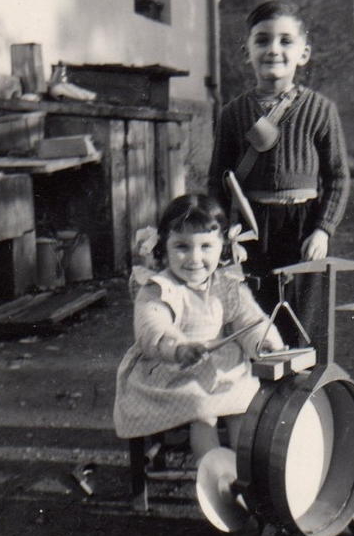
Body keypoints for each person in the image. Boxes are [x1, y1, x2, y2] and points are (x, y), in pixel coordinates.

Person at [208, 0, 350, 350]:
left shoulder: (321, 110)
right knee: (254, 317)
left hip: (303, 227)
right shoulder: (232, 114)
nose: (274, 49)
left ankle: (303, 382)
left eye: (286, 40)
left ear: (304, 53)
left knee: (303, 318)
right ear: (247, 52)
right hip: (251, 228)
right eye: (263, 40)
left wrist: (323, 229)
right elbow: (217, 181)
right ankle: (259, 383)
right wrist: (222, 231)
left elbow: (337, 178)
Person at [114, 194, 284, 468]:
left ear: (222, 247)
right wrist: (178, 347)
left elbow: (249, 319)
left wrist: (262, 341)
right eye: (182, 246)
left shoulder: (226, 285)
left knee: (243, 410)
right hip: (173, 370)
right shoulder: (158, 288)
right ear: (164, 247)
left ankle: (247, 472)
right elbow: (152, 326)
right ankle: (216, 475)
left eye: (206, 246)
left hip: (221, 370)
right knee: (203, 413)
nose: (195, 258)